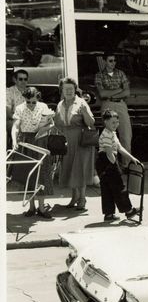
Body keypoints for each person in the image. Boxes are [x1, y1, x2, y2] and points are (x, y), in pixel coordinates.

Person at [11, 87, 55, 218]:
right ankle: (31, 207)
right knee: (27, 174)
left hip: (40, 141)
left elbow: (51, 124)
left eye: (33, 102)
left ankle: (42, 208)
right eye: (28, 102)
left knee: (42, 174)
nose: (30, 105)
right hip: (26, 142)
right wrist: (14, 140)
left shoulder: (43, 106)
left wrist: (43, 130)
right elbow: (15, 126)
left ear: (38, 99)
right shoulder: (20, 108)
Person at [54, 77, 97, 211]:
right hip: (66, 141)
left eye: (71, 89)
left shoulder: (81, 103)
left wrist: (84, 111)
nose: (68, 91)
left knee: (79, 170)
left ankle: (82, 198)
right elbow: (57, 123)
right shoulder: (60, 105)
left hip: (80, 140)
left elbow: (91, 123)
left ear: (75, 89)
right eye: (65, 89)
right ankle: (74, 197)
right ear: (62, 90)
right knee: (69, 168)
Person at [96, 109, 141, 222]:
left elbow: (119, 147)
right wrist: (114, 166)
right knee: (119, 187)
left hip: (105, 162)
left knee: (107, 189)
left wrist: (131, 158)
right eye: (113, 122)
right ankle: (129, 211)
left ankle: (109, 213)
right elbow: (109, 152)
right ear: (106, 122)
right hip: (107, 161)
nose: (116, 125)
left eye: (117, 122)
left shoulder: (112, 133)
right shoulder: (107, 134)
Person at [95, 52, 132, 153]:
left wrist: (110, 94)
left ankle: (126, 164)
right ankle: (111, 164)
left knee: (126, 134)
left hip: (121, 104)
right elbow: (102, 94)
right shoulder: (99, 75)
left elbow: (127, 92)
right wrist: (119, 89)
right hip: (107, 104)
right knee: (108, 135)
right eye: (110, 61)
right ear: (105, 61)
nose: (113, 63)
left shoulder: (120, 73)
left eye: (115, 60)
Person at [6, 69, 29, 145]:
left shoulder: (30, 91)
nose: (23, 81)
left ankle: (35, 153)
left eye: (25, 79)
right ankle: (17, 151)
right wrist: (19, 119)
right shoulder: (9, 91)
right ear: (15, 80)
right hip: (12, 119)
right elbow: (7, 111)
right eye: (20, 79)